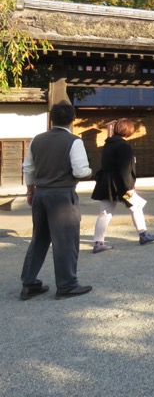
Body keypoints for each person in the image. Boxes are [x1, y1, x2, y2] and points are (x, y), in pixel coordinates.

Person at [20, 101, 93, 300]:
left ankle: (29, 283)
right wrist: (90, 171)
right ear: (73, 119)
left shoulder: (37, 140)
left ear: (52, 118)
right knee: (65, 241)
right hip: (62, 195)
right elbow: (80, 171)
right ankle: (67, 284)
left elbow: (28, 168)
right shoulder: (74, 141)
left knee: (39, 238)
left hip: (40, 193)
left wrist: (30, 191)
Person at [91, 119, 154, 253]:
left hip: (107, 182)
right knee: (136, 206)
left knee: (105, 213)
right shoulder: (123, 146)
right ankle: (143, 235)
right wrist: (129, 187)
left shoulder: (108, 144)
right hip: (121, 184)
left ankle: (98, 242)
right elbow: (124, 169)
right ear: (128, 130)